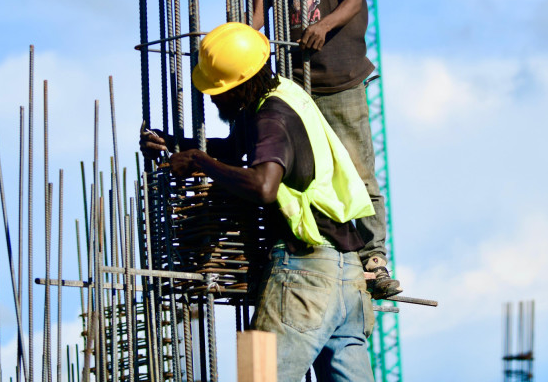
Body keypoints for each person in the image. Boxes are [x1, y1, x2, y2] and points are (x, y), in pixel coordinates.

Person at [141, 23, 376, 382]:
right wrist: (178, 145)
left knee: (257, 376)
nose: (213, 99)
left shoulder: (272, 116)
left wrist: (200, 163)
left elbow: (265, 185)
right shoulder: (286, 95)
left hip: (304, 272)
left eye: (218, 91)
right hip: (347, 274)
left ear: (238, 85)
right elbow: (241, 153)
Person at [251, 0, 400, 299]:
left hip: (342, 79)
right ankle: (319, 247)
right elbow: (256, 18)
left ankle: (373, 254)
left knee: (357, 167)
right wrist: (236, 42)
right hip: (297, 89)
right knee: (307, 175)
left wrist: (325, 25)